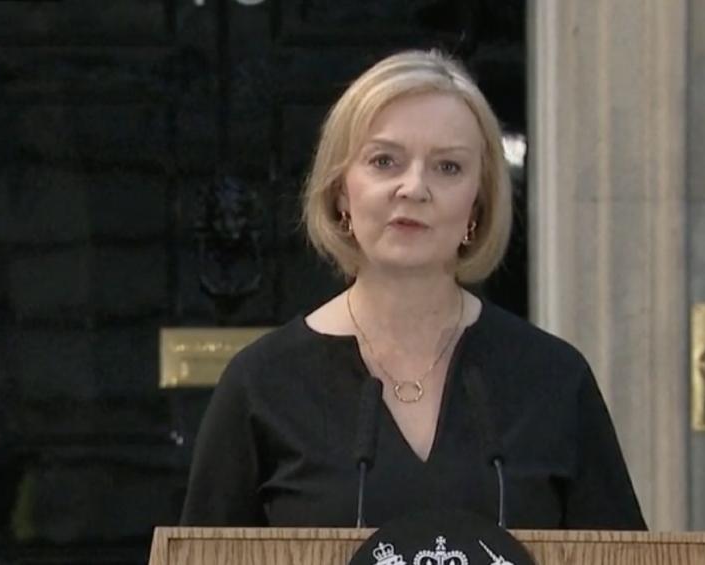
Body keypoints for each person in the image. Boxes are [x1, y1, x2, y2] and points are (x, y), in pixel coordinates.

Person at [179, 50, 646, 530]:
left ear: (478, 204)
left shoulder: (553, 379)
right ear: (341, 191)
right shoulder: (262, 383)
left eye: (448, 167)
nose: (414, 188)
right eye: (384, 161)